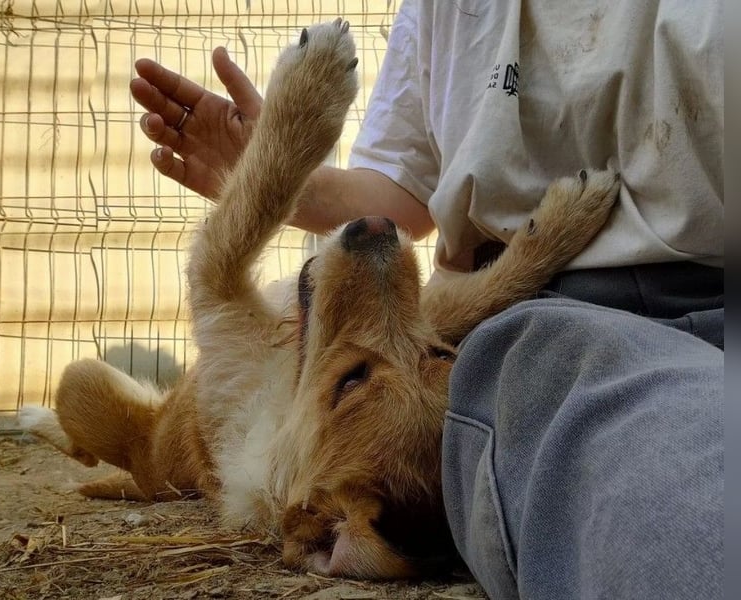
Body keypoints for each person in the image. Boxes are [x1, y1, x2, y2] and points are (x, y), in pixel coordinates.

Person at [130, 2, 724, 598]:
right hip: (560, 325)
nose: (388, 274)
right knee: (692, 484)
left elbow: (220, 278)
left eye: (353, 380)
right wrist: (277, 177)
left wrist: (275, 167)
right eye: (438, 357)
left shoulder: (269, 445)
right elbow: (402, 200)